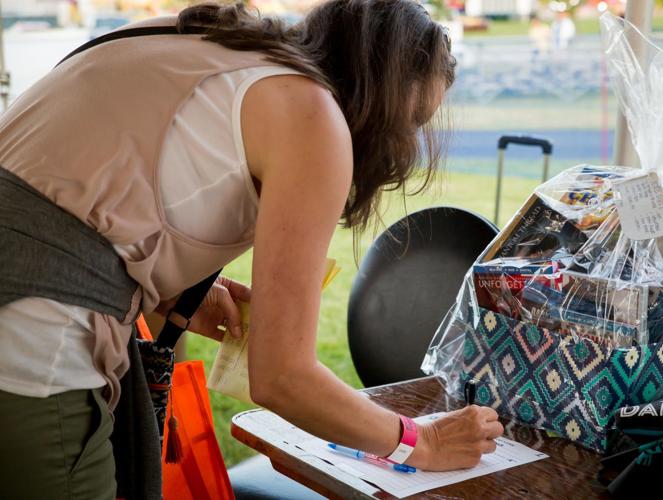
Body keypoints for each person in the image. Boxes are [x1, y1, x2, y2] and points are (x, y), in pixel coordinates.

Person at [0, 1, 504, 498]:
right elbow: (284, 378)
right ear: (378, 98)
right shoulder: (311, 114)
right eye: (411, 122)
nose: (407, 146)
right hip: (32, 340)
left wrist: (174, 290)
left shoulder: (190, 34)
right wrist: (424, 441)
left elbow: (84, 187)